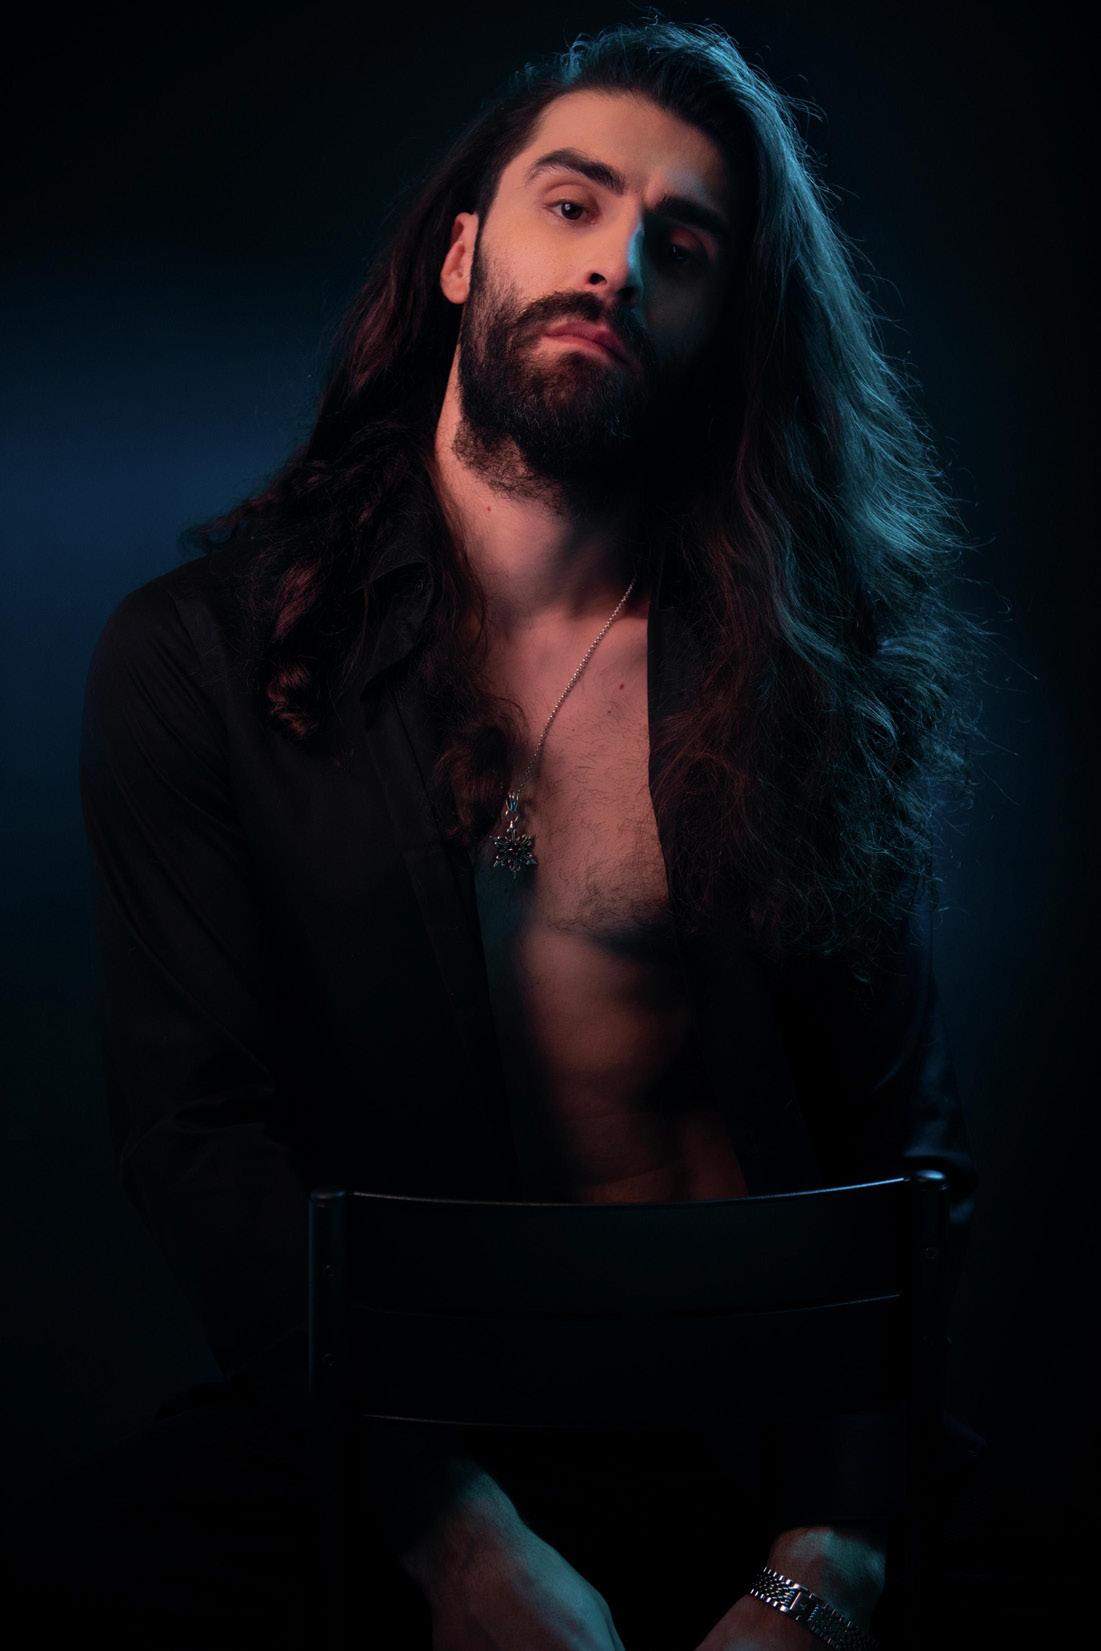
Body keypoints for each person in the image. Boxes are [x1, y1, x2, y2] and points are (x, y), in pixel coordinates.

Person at [6, 16, 986, 1650]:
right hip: (404, 1430)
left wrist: (827, 1560)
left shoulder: (803, 670)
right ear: (462, 255)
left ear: (723, 329)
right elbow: (200, 1136)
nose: (616, 263)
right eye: (572, 202)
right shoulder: (202, 660)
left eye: (681, 245)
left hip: (757, 1429)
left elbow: (910, 1146)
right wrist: (448, 1534)